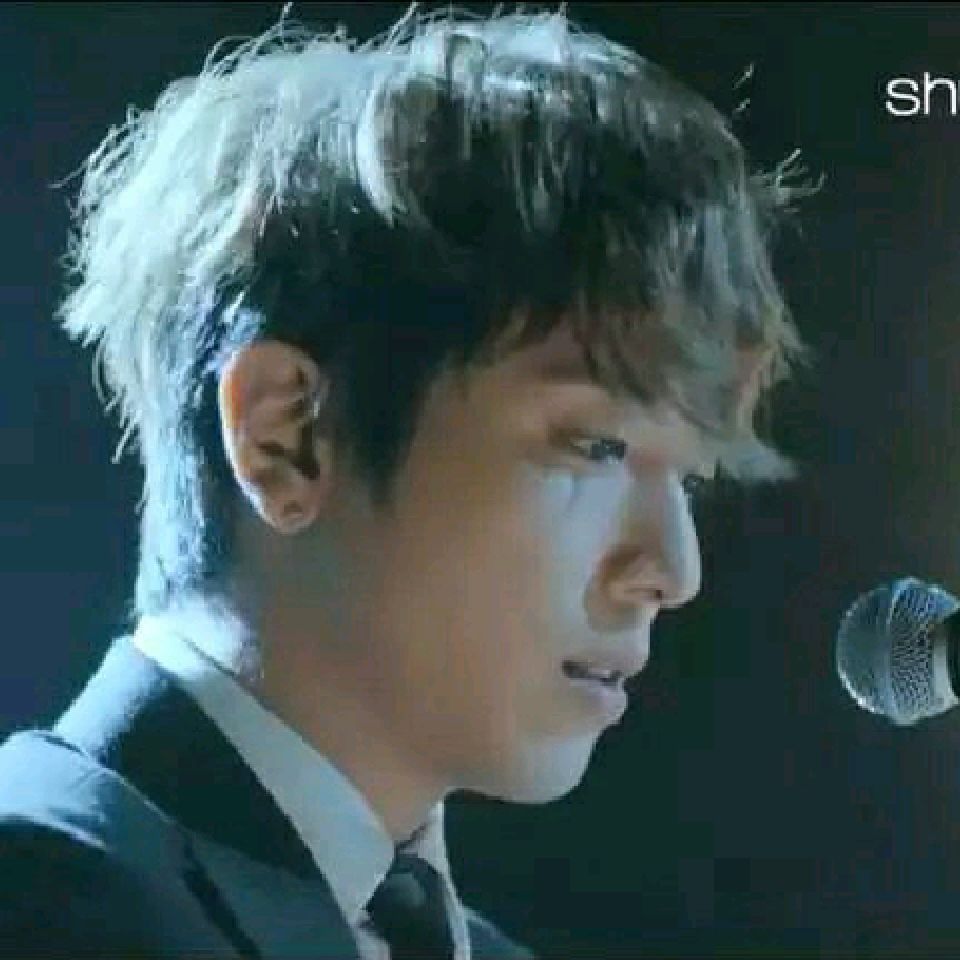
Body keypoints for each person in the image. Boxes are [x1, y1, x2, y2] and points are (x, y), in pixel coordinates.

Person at [0, 5, 813, 957]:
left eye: (691, 477)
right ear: (287, 437)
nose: (672, 571)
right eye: (595, 447)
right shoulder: (45, 894)